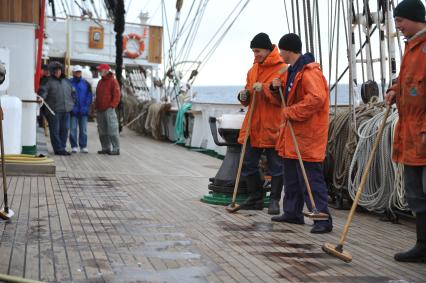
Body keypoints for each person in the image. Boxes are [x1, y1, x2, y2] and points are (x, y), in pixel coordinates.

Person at [270, 33, 332, 234]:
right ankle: (292, 212)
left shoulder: (309, 72)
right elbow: (282, 98)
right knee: (292, 179)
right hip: (292, 136)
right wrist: (273, 87)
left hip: (308, 136)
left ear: (288, 50)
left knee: (311, 180)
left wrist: (291, 112)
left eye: (281, 50)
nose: (280, 54)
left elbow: (316, 99)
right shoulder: (291, 72)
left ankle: (322, 219)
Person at [385, 0, 426, 263]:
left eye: (400, 20)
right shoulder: (410, 49)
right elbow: (406, 81)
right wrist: (393, 90)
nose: (397, 26)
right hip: (409, 132)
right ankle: (422, 245)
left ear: (414, 18)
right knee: (415, 194)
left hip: (422, 131)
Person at [236, 33, 286, 215]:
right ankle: (255, 197)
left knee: (276, 167)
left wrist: (265, 89)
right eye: (253, 51)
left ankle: (274, 201)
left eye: (257, 51)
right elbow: (248, 94)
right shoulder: (253, 70)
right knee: (248, 163)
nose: (254, 54)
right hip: (253, 125)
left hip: (273, 125)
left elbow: (282, 100)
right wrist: (244, 96)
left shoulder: (282, 69)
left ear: (267, 49)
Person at [39, 61, 75, 156]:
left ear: (61, 71)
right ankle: (58, 149)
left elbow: (73, 93)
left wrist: (72, 104)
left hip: (66, 110)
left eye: (58, 70)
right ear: (51, 71)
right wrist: (41, 97)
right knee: (55, 130)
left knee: (65, 129)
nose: (57, 72)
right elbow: (43, 92)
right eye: (55, 70)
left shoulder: (67, 82)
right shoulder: (47, 81)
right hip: (53, 111)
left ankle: (62, 148)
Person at [95, 63, 121, 155]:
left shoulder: (113, 81)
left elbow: (117, 95)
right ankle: (105, 148)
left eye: (100, 70)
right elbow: (97, 96)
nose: (99, 71)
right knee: (102, 130)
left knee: (112, 129)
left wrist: (112, 106)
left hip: (108, 109)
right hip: (100, 109)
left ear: (106, 71)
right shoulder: (100, 82)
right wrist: (96, 107)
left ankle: (116, 148)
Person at [69, 65, 93, 153]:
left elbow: (89, 96)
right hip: (73, 111)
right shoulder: (69, 82)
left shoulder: (86, 83)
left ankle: (83, 146)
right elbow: (68, 96)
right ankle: (74, 146)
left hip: (83, 111)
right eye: (76, 72)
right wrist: (72, 107)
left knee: (83, 129)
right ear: (73, 73)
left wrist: (86, 107)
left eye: (79, 72)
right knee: (73, 129)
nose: (78, 73)